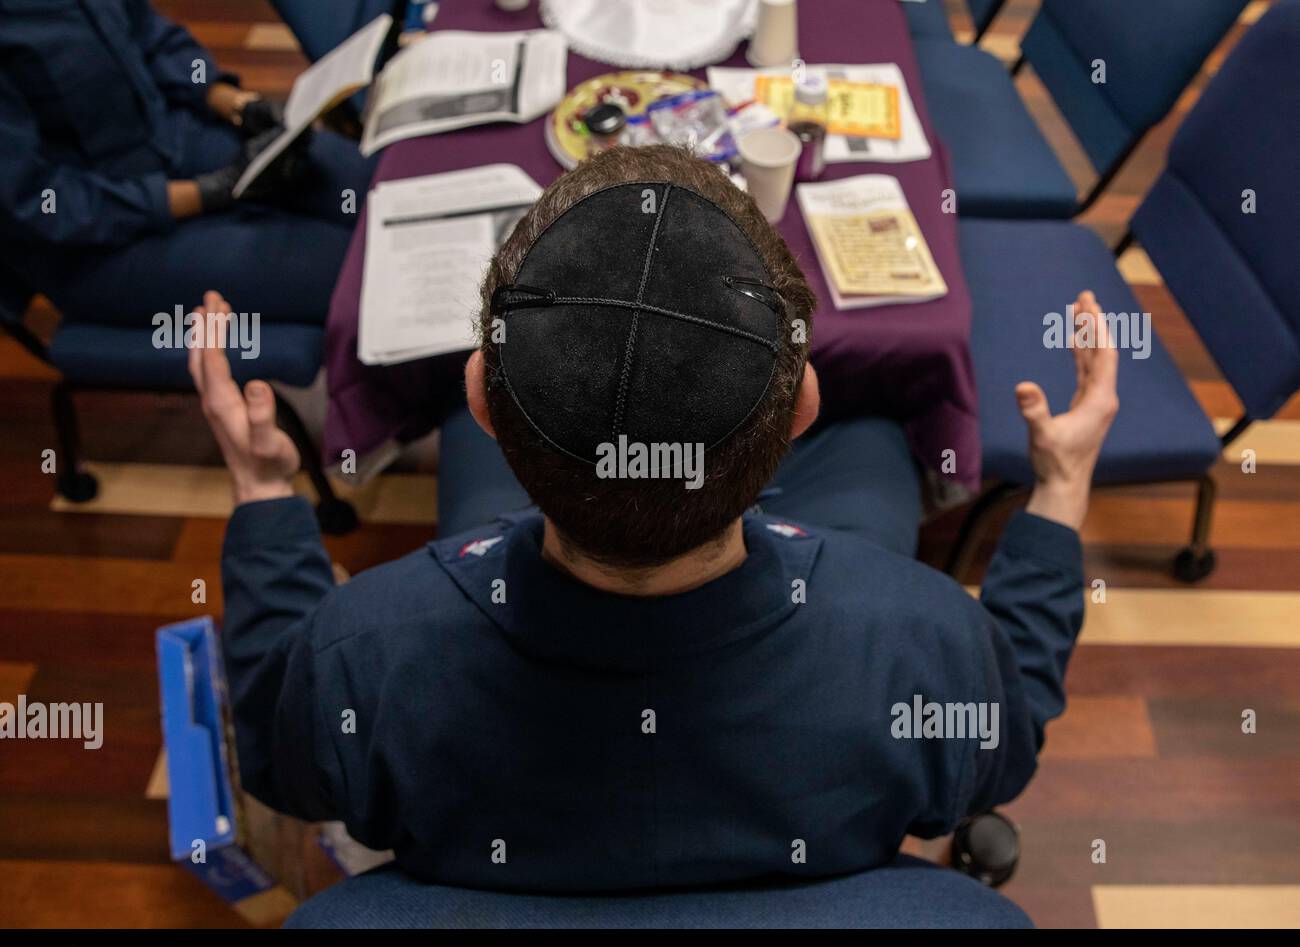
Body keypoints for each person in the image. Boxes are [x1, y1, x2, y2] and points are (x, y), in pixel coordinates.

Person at [198, 145, 1118, 893]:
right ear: (802, 408)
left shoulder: (362, 656)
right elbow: (1009, 736)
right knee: (879, 444)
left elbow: (283, 762)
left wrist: (266, 494)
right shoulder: (925, 643)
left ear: (479, 397)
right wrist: (1061, 489)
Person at [0, 0, 374, 326]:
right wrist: (209, 193)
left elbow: (154, 40)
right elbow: (39, 203)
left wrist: (238, 104)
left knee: (369, 188)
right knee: (348, 269)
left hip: (175, 138)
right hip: (98, 243)